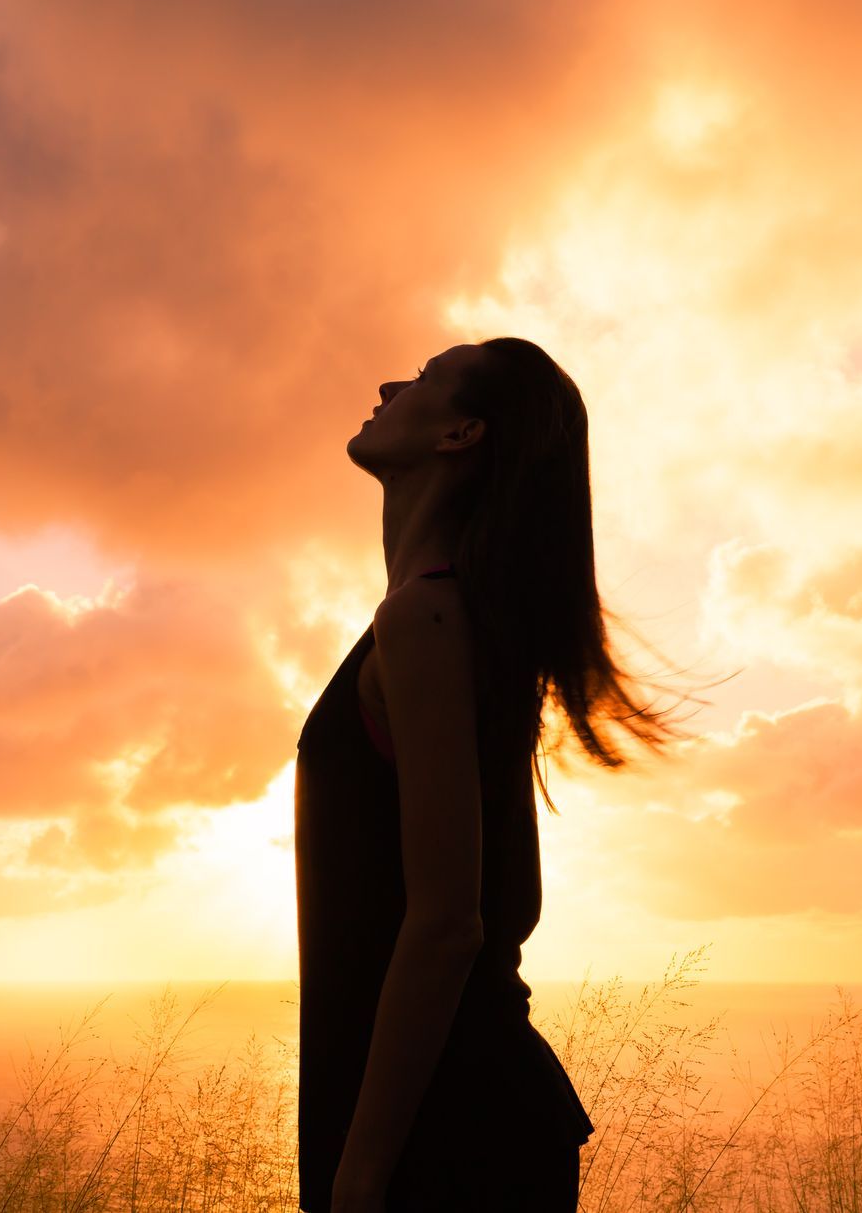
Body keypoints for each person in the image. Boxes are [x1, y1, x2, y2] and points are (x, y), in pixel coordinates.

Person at [294, 338, 705, 1211]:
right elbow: (512, 896)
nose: (389, 383)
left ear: (460, 433)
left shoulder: (428, 619)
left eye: (426, 377)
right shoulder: (451, 617)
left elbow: (452, 923)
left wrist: (360, 1176)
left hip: (450, 1134)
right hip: (456, 1117)